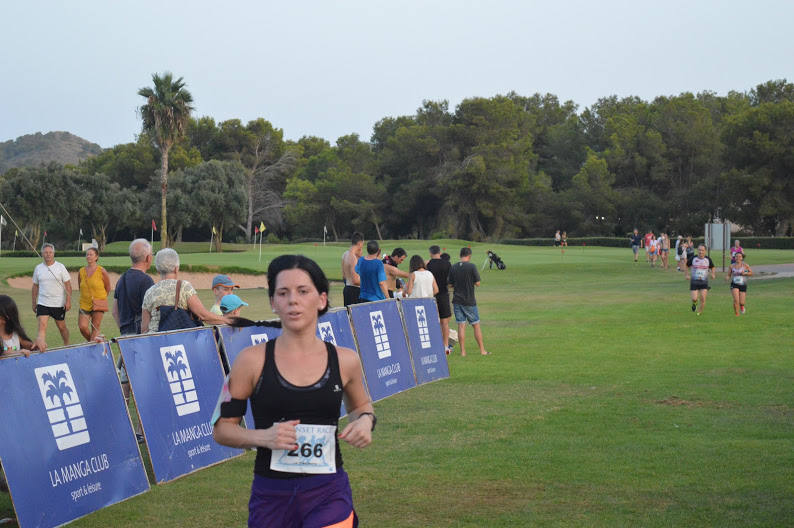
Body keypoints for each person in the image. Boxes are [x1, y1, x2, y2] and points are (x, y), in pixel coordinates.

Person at [213, 255, 374, 527]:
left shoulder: (346, 360)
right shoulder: (249, 361)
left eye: (303, 291)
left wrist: (366, 421)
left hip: (328, 491)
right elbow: (221, 429)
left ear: (321, 300)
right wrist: (263, 437)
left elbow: (362, 407)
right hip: (271, 495)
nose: (293, 300)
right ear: (274, 303)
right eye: (283, 293)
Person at [141, 248, 229, 332]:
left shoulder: (149, 292)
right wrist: (228, 320)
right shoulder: (184, 287)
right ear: (176, 268)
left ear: (158, 270)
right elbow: (203, 316)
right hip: (181, 340)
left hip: (155, 341)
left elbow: (144, 329)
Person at [448, 247, 488, 356]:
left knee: (461, 326)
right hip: (469, 300)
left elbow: (450, 284)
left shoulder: (454, 267)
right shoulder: (471, 266)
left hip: (457, 300)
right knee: (476, 325)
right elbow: (478, 283)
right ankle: (482, 350)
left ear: (460, 255)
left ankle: (463, 352)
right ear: (469, 255)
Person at [32, 243, 71, 347]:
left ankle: (67, 345)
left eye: (50, 252)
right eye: (45, 252)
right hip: (43, 302)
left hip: (58, 303)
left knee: (62, 327)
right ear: (42, 254)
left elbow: (68, 285)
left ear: (53, 253)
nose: (48, 254)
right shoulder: (38, 268)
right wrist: (33, 302)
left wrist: (68, 301)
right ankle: (41, 347)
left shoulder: (60, 267)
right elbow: (35, 286)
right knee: (42, 325)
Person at [113, 239, 155, 336]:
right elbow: (153, 311)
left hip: (125, 335)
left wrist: (125, 331)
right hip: (141, 335)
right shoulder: (146, 280)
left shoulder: (121, 279)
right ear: (148, 258)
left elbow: (115, 312)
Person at [77, 247, 111, 341]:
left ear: (96, 257)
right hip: (84, 303)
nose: (88, 256)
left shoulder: (102, 271)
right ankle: (94, 342)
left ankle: (92, 346)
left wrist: (101, 299)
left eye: (91, 254)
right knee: (82, 327)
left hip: (99, 302)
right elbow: (80, 286)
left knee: (95, 327)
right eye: (87, 254)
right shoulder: (81, 271)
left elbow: (108, 288)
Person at [426, 245, 453, 354]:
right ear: (440, 252)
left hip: (431, 295)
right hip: (443, 294)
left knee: (432, 321)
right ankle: (445, 345)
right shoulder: (447, 264)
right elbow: (450, 280)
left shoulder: (428, 264)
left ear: (430, 253)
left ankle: (433, 344)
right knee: (445, 322)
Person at [686, 244, 716, 316]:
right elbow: (686, 265)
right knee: (694, 298)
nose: (701, 252)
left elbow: (713, 267)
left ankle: (699, 312)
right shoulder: (693, 258)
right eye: (699, 250)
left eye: (702, 250)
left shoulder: (708, 259)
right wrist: (687, 274)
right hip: (694, 282)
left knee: (703, 298)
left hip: (704, 282)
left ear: (705, 251)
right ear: (697, 250)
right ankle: (695, 303)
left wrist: (713, 274)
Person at [341, 232, 364, 306]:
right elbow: (355, 281)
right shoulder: (353, 258)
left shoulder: (345, 254)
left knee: (349, 316)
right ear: (360, 243)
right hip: (355, 291)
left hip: (347, 289)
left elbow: (344, 276)